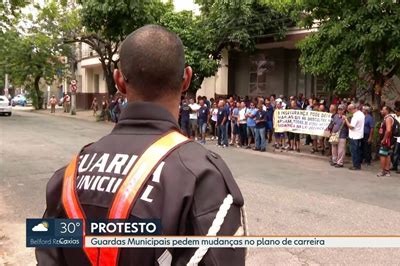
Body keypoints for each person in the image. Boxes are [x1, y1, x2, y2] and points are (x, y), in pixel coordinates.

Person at [36, 25, 245, 265]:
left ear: (119, 81)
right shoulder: (203, 176)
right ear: (186, 78)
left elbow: (45, 253)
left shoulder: (67, 175)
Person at [343, 104, 365, 170]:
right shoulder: (361, 114)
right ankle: (358, 164)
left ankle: (356, 165)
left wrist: (346, 119)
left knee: (354, 151)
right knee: (358, 151)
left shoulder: (355, 116)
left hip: (354, 136)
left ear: (351, 109)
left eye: (349, 110)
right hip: (359, 135)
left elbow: (351, 126)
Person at [377, 106, 395, 177]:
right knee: (387, 154)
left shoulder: (388, 118)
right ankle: (387, 171)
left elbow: (388, 130)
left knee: (382, 154)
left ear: (387, 111)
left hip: (387, 140)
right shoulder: (386, 118)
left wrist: (384, 139)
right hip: (387, 139)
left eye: (383, 110)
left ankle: (383, 171)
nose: (381, 111)